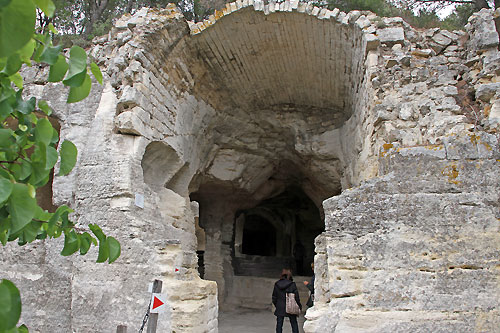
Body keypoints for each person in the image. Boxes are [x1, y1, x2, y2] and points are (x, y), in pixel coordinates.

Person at [272, 268, 302, 333]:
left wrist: (277, 305)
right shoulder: (292, 284)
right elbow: (296, 297)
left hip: (280, 305)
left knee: (279, 324)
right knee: (294, 323)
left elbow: (274, 297)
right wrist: (299, 306)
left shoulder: (277, 284)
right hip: (290, 305)